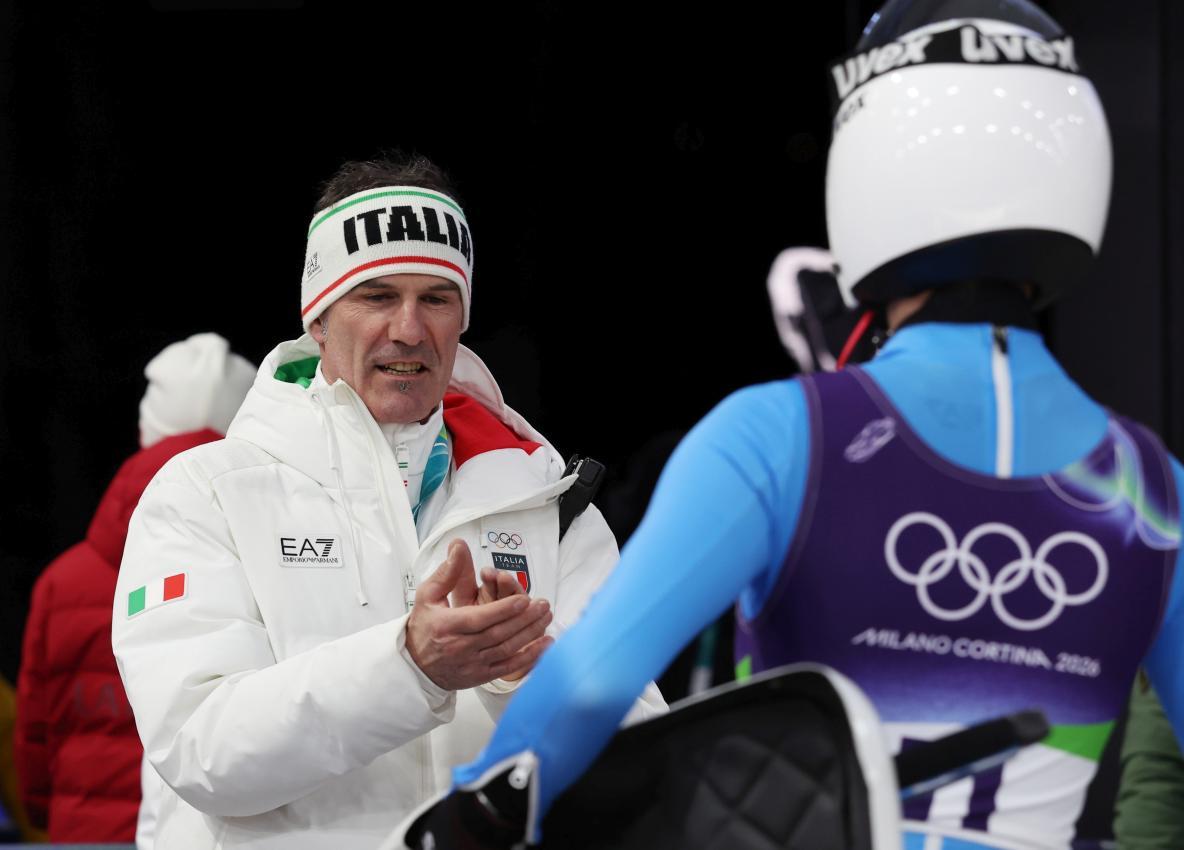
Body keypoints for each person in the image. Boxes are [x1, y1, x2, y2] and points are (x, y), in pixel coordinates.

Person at [444, 3, 1184, 850]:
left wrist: (460, 821)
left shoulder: (782, 438)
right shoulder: (1154, 488)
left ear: (871, 166)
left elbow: (583, 691)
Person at [111, 154, 664, 850]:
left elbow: (644, 765)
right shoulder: (206, 492)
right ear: (318, 317)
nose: (409, 328)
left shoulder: (547, 504)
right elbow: (201, 749)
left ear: (462, 317)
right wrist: (408, 665)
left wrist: (531, 679)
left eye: (436, 297)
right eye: (376, 295)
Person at [15, 333, 254, 844]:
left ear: (148, 427)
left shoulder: (63, 581)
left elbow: (35, 732)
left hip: (86, 832)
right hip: (212, 833)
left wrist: (41, 811)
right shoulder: (275, 558)